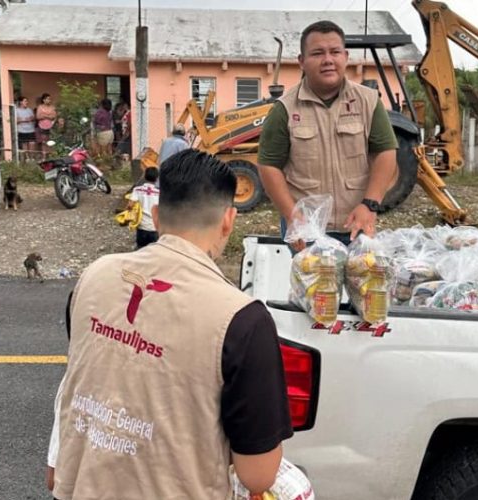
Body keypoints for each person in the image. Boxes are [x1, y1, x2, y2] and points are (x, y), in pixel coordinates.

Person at [46, 149, 291, 499]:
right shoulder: (241, 318)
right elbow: (258, 475)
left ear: (157, 217)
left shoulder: (94, 276)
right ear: (228, 220)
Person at [257, 20, 398, 249]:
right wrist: (292, 216)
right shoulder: (284, 109)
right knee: (314, 285)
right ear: (301, 61)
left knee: (360, 282)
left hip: (356, 224)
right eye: (317, 53)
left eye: (335, 52)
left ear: (346, 56)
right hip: (307, 230)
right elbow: (268, 165)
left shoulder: (368, 101)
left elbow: (386, 152)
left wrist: (370, 205)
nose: (328, 60)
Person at [130, 167, 160, 249]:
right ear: (157, 178)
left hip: (142, 226)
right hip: (154, 227)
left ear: (144, 176)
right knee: (154, 251)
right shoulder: (160, 193)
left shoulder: (137, 190)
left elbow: (130, 205)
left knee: (141, 249)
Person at [15, 96, 37, 160]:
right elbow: (16, 120)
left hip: (31, 130)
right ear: (21, 102)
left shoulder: (29, 110)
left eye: (27, 101)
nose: (26, 102)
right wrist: (25, 120)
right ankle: (27, 158)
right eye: (25, 101)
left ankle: (32, 158)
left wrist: (30, 118)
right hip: (22, 131)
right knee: (24, 145)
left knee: (32, 144)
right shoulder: (16, 110)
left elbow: (33, 118)